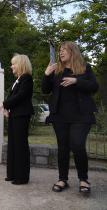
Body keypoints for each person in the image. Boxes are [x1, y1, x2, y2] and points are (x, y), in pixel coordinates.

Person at [42, 41, 98, 194]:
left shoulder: (85, 68)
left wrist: (76, 81)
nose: (61, 52)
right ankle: (62, 179)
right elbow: (45, 90)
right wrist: (47, 74)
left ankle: (83, 179)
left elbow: (94, 86)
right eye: (60, 50)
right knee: (63, 148)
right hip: (60, 116)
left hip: (81, 116)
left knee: (78, 145)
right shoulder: (56, 70)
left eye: (64, 50)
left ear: (73, 52)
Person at [0, 54, 34, 185]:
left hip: (22, 115)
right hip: (15, 115)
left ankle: (22, 177)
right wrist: (8, 109)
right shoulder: (18, 79)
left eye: (14, 64)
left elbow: (21, 96)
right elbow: (14, 97)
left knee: (20, 146)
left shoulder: (27, 78)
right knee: (13, 145)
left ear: (21, 64)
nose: (11, 66)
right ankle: (12, 174)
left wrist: (4, 104)